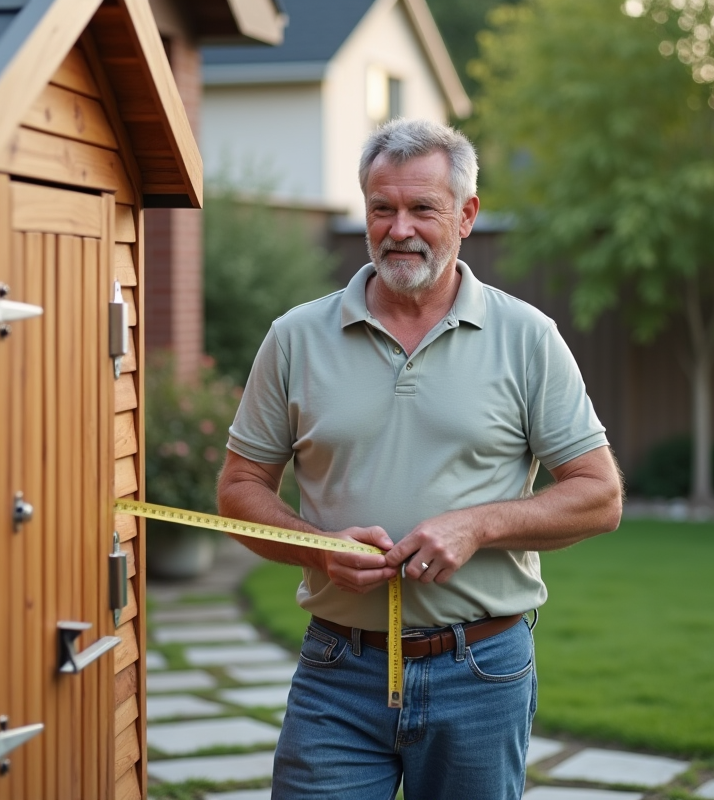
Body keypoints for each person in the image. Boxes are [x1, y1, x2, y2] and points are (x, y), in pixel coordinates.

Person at [217, 118, 623, 799]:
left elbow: (599, 495)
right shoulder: (295, 338)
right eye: (383, 208)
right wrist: (317, 548)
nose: (399, 228)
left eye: (421, 209)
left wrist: (477, 526)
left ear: (466, 215)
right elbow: (238, 489)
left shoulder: (527, 337)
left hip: (481, 669)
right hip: (337, 665)